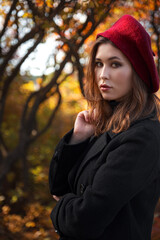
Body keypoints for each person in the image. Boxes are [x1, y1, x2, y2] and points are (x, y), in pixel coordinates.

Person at [49, 15, 160, 240]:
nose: (102, 75)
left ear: (137, 73)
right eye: (99, 64)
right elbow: (58, 187)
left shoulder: (143, 137)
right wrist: (78, 139)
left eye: (115, 64)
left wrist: (63, 207)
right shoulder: (107, 125)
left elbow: (83, 220)